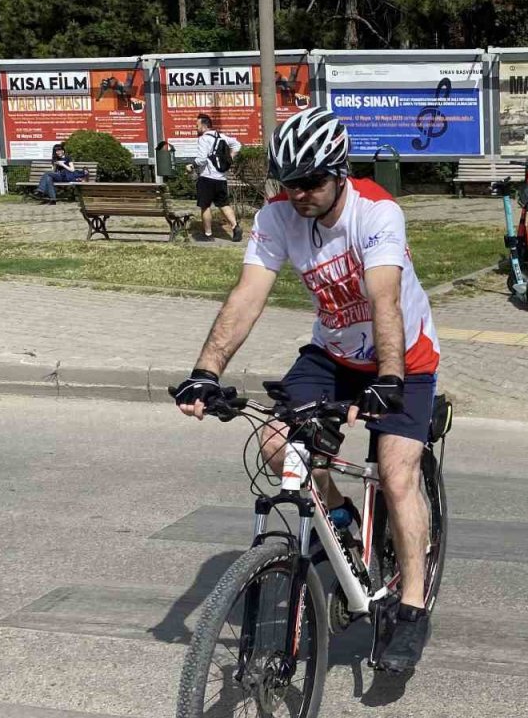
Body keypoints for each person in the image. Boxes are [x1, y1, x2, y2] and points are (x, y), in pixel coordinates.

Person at [171, 107, 441, 673]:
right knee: (275, 442)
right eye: (288, 182)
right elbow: (248, 294)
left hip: (402, 357)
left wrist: (389, 380)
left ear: (339, 173)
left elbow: (385, 301)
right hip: (333, 352)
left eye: (311, 182)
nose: (298, 194)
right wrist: (206, 371)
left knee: (397, 475)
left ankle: (412, 606)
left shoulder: (376, 213)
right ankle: (339, 517)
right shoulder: (278, 217)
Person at [186, 113, 243, 241]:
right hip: (221, 178)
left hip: (207, 177)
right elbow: (237, 145)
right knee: (224, 204)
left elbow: (202, 159)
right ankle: (235, 226)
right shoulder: (222, 137)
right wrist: (230, 157)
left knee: (205, 206)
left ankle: (208, 234)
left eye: (197, 125)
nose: (196, 128)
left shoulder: (204, 139)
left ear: (204, 126)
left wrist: (192, 165)